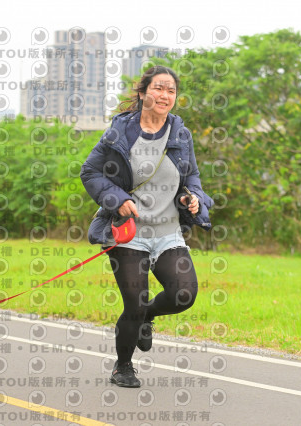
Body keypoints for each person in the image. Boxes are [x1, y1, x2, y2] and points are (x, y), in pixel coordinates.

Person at [80, 65, 214, 388]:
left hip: (167, 231)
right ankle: (123, 367)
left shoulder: (180, 134)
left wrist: (194, 198)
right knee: (134, 303)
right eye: (158, 88)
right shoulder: (119, 133)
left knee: (184, 294)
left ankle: (148, 317)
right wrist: (116, 198)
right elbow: (90, 172)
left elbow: (192, 176)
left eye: (171, 90)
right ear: (142, 93)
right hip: (129, 233)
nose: (165, 95)